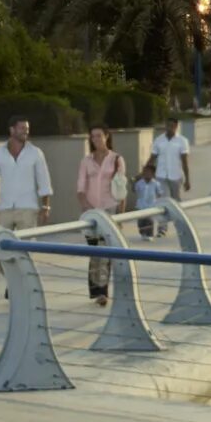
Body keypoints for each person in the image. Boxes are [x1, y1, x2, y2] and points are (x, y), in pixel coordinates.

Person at [74, 126, 127, 300]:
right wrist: (87, 207)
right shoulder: (86, 161)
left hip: (110, 210)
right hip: (92, 214)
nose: (95, 139)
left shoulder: (116, 159)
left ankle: (103, 291)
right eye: (93, 137)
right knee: (95, 252)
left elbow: (121, 189)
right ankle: (95, 289)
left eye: (99, 136)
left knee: (105, 252)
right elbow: (80, 189)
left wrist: (121, 216)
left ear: (106, 136)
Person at [0, 117, 53, 231]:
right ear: (12, 130)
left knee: (26, 247)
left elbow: (44, 181)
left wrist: (45, 207)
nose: (26, 131)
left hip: (27, 209)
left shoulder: (36, 153)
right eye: (22, 128)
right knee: (2, 244)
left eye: (27, 129)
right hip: (4, 208)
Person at [145, 117, 192, 208]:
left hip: (176, 176)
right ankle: (163, 222)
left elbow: (184, 161)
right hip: (161, 176)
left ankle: (177, 220)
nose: (169, 128)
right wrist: (145, 172)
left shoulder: (182, 141)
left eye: (171, 126)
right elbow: (152, 158)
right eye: (167, 125)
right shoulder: (159, 140)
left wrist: (187, 180)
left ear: (176, 126)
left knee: (176, 201)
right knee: (163, 201)